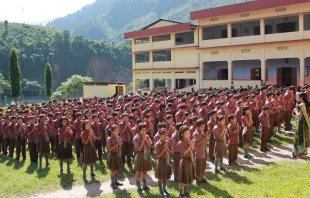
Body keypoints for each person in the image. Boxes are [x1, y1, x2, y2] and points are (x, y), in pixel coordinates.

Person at [133, 122, 153, 194]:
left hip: (146, 155)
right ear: (139, 130)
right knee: (138, 172)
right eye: (142, 130)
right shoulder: (136, 138)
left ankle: (144, 185)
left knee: (145, 171)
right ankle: (139, 187)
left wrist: (146, 139)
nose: (144, 131)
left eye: (145, 130)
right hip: (140, 155)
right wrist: (143, 140)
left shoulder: (147, 136)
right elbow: (138, 149)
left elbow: (150, 145)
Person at [177, 126, 195, 198]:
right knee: (182, 179)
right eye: (187, 133)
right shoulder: (180, 143)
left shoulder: (189, 140)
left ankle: (186, 191)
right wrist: (190, 146)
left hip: (189, 160)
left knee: (187, 177)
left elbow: (192, 150)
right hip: (184, 161)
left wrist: (192, 145)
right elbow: (183, 153)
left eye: (189, 132)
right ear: (182, 134)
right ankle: (181, 193)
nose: (188, 134)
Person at [155, 129, 172, 196]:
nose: (165, 136)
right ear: (160, 135)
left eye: (166, 135)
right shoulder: (158, 144)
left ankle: (164, 189)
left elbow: (172, 152)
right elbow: (158, 155)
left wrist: (167, 148)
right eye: (164, 135)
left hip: (167, 161)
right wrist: (164, 149)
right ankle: (161, 190)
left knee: (165, 176)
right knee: (160, 177)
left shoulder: (168, 143)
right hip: (161, 162)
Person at [292, 93, 310, 158]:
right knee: (305, 136)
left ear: (301, 97)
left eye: (298, 96)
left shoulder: (301, 105)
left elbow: (300, 115)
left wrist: (295, 111)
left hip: (301, 123)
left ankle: (298, 152)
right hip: (306, 123)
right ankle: (304, 151)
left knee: (298, 136)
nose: (297, 98)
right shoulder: (308, 104)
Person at [107, 125, 123, 189]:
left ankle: (116, 181)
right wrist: (117, 144)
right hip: (112, 155)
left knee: (116, 169)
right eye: (116, 130)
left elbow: (121, 146)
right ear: (112, 131)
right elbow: (109, 149)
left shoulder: (118, 137)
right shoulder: (109, 138)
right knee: (113, 170)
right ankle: (112, 183)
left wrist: (120, 144)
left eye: (118, 130)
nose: (117, 131)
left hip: (118, 154)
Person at [193, 119, 208, 185]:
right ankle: (198, 179)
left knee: (203, 166)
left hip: (203, 152)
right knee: (198, 167)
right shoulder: (195, 134)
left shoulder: (202, 133)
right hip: (198, 153)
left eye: (204, 127)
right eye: (202, 127)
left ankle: (202, 177)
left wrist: (206, 138)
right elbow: (197, 144)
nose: (203, 128)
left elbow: (205, 142)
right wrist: (204, 138)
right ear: (197, 127)